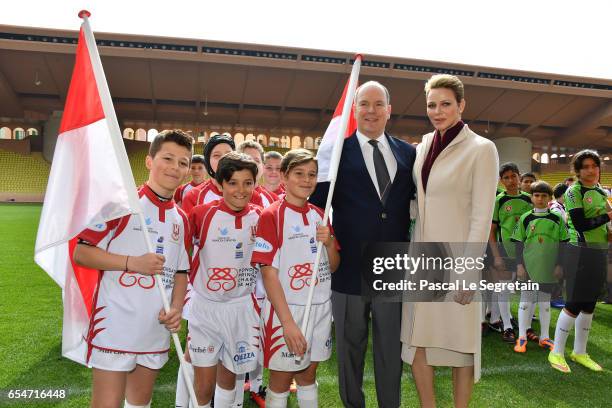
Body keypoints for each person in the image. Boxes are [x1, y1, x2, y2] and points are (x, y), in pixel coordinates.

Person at [310, 81, 416, 408]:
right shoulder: (335, 152)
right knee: (350, 350)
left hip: (392, 268)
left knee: (389, 353)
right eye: (364, 104)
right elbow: (314, 203)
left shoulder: (408, 153)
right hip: (349, 269)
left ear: (388, 109)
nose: (371, 110)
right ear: (354, 110)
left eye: (377, 104)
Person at [73, 130, 193, 408]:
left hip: (155, 328)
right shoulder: (122, 204)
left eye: (183, 162)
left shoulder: (182, 218)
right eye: (168, 158)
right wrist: (132, 263)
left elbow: (180, 272)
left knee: (140, 403)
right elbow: (81, 252)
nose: (175, 167)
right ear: (150, 161)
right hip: (115, 323)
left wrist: (176, 308)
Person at [400, 74, 498, 408]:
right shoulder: (423, 145)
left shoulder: (482, 149)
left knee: (461, 345)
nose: (437, 111)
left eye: (445, 104)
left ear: (461, 105)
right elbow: (421, 200)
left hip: (458, 262)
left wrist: (468, 271)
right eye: (431, 105)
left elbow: (481, 216)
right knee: (416, 342)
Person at [252, 149, 340, 408]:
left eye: (312, 174)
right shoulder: (271, 215)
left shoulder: (320, 215)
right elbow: (268, 275)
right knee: (280, 381)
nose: (306, 180)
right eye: (299, 173)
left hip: (321, 308)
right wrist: (288, 323)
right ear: (284, 176)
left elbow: (333, 267)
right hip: (287, 313)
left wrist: (329, 242)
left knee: (308, 375)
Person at [188, 152, 262, 407]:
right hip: (206, 308)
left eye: (247, 183)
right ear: (220, 185)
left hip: (241, 308)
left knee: (229, 380)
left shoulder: (261, 217)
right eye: (232, 183)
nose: (240, 190)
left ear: (255, 183)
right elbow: (181, 256)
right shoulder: (200, 214)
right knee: (204, 385)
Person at [548, 149, 611, 373]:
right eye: (586, 166)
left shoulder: (601, 192)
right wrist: (608, 217)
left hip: (599, 253)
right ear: (577, 170)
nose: (591, 170)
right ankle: (556, 351)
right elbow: (581, 224)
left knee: (590, 304)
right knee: (574, 303)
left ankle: (580, 352)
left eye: (594, 166)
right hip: (580, 253)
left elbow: (605, 226)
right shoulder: (574, 191)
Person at [511, 181, 569, 353]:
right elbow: (518, 245)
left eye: (544, 196)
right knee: (526, 301)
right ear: (532, 197)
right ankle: (521, 336)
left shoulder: (557, 219)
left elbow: (564, 244)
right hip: (529, 268)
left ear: (549, 198)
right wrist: (519, 265)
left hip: (549, 269)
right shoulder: (526, 218)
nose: (540, 198)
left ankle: (544, 337)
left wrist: (559, 265)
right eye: (537, 195)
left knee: (544, 303)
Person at [489, 162, 533, 343]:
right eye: (506, 177)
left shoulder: (529, 199)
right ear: (501, 181)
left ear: (519, 176)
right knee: (504, 289)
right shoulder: (498, 200)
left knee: (528, 290)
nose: (510, 180)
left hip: (528, 252)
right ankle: (507, 326)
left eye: (513, 176)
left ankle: (526, 327)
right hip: (505, 251)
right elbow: (491, 231)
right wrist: (496, 256)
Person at [237, 140, 279, 207]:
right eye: (246, 159)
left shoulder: (274, 200)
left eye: (256, 160)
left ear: (263, 167)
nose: (252, 163)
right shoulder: (227, 196)